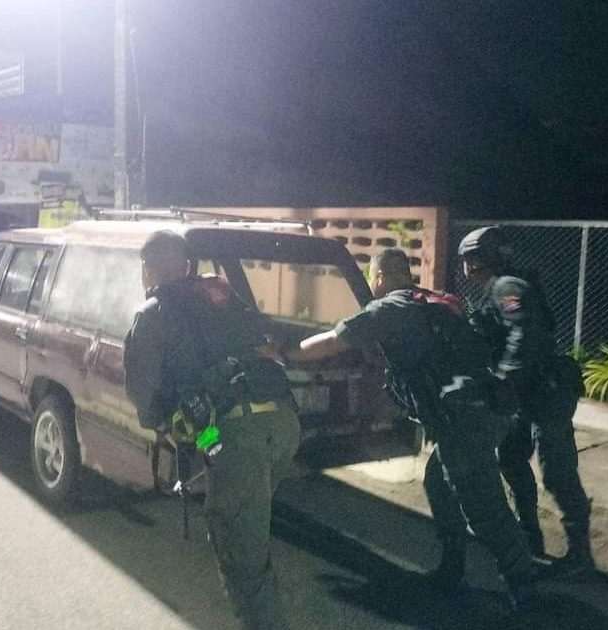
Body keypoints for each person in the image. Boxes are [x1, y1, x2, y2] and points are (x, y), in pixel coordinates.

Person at [286, 248, 538, 608]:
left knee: (484, 508)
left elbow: (331, 341)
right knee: (438, 483)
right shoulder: (435, 300)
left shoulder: (389, 307)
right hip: (484, 407)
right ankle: (453, 568)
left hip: (463, 419)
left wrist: (285, 353)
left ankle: (524, 591)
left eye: (373, 277)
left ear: (379, 277)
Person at [123, 230, 300, 630]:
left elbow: (143, 393)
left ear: (147, 268)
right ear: (187, 266)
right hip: (283, 422)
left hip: (233, 433)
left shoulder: (151, 314)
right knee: (242, 515)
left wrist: (163, 424)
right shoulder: (221, 296)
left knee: (239, 550)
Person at [457, 226, 594, 576]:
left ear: (476, 260)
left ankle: (581, 557)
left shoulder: (507, 287)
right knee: (512, 457)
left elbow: (523, 332)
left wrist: (504, 377)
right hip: (528, 393)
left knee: (558, 473)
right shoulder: (498, 287)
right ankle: (529, 535)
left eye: (468, 260)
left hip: (546, 392)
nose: (466, 267)